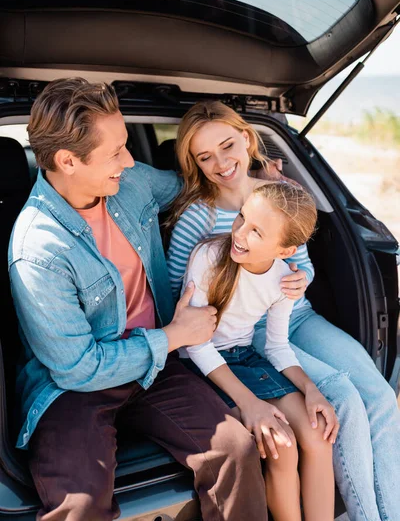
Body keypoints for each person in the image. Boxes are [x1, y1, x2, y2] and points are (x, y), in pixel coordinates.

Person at [8, 79, 268, 521]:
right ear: (67, 161)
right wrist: (173, 336)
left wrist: (263, 185)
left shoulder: (131, 183)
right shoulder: (38, 250)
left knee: (236, 451)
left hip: (156, 367)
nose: (129, 161)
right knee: (81, 507)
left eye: (127, 146)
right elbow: (78, 367)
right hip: (73, 388)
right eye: (115, 153)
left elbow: (197, 183)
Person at [166, 100, 400, 521]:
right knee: (343, 398)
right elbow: (177, 294)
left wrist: (299, 280)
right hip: (243, 331)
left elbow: (299, 261)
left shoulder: (279, 194)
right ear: (194, 163)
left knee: (381, 397)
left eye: (228, 145)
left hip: (294, 313)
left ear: (248, 139)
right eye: (205, 157)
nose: (221, 163)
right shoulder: (197, 220)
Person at [182, 181, 338, 521]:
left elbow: (277, 346)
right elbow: (195, 343)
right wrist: (249, 403)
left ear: (284, 250)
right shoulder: (208, 257)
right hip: (203, 366)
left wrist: (311, 389)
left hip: (244, 357)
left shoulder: (284, 279)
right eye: (241, 218)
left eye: (256, 232)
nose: (239, 233)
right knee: (282, 446)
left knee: (317, 435)